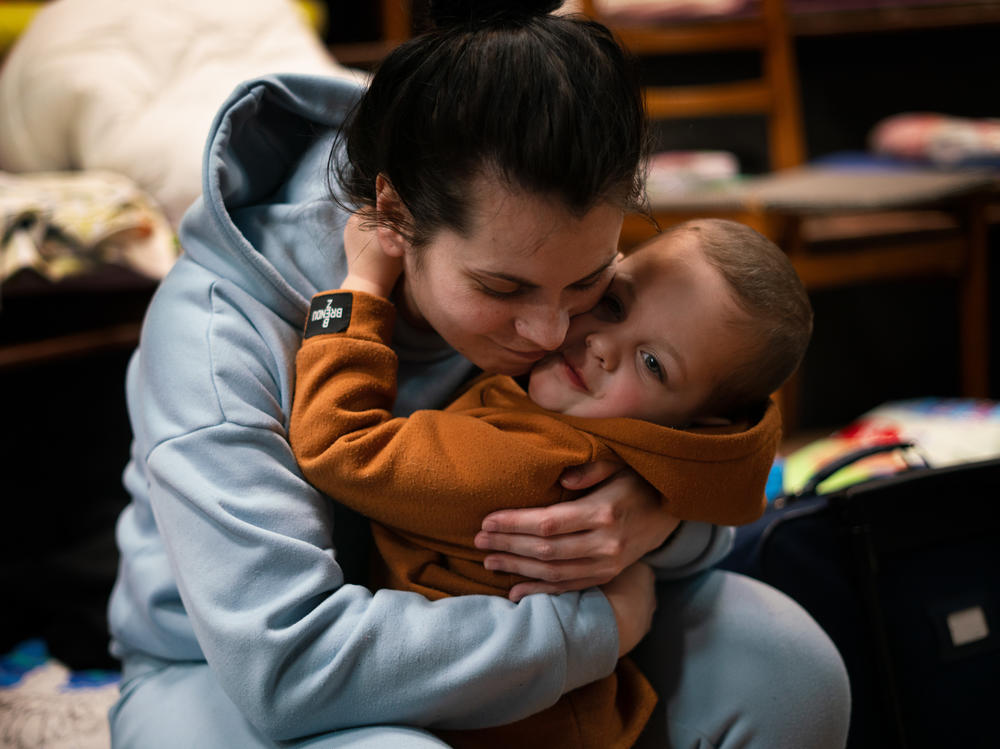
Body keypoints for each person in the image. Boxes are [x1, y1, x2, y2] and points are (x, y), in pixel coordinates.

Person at [107, 1, 851, 747]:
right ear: (393, 214)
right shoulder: (216, 332)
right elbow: (286, 666)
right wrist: (595, 624)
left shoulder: (575, 304)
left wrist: (644, 517)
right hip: (229, 671)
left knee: (788, 665)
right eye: (503, 290)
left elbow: (718, 475)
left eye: (592, 281)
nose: (553, 332)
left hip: (491, 611)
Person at [288, 217, 813, 749]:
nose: (604, 345)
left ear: (702, 426)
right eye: (613, 304)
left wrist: (359, 291)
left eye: (652, 363)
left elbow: (342, 446)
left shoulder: (534, 463)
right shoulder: (598, 430)